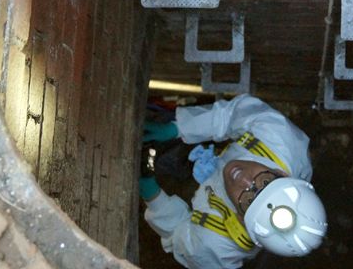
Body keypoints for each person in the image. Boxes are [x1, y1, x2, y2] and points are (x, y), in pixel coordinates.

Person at [139, 94, 327, 269]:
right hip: (227, 153)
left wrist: (151, 193)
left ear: (240, 220)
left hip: (207, 201)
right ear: (282, 174)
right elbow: (231, 115)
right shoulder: (279, 138)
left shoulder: (214, 246)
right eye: (265, 182)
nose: (243, 179)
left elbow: (177, 232)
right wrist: (179, 127)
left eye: (248, 201)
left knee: (169, 164)